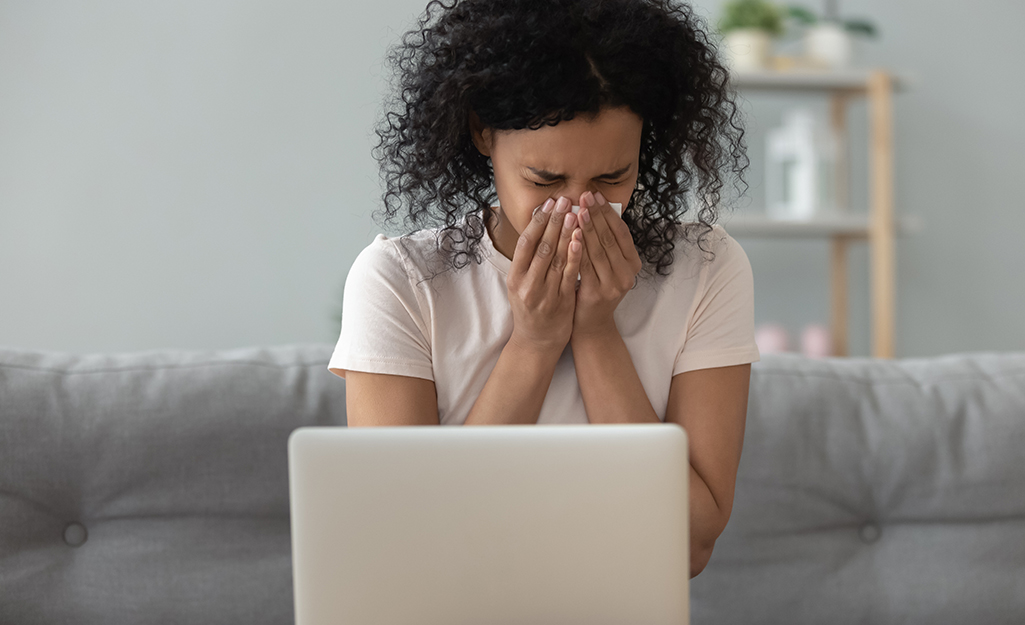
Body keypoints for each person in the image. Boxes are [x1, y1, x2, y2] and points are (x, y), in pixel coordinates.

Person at [329, 0, 760, 578]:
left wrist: (597, 332)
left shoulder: (706, 267)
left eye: (613, 177)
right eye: (544, 179)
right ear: (484, 135)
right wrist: (532, 344)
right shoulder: (402, 281)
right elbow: (410, 541)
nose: (579, 207)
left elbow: (693, 538)